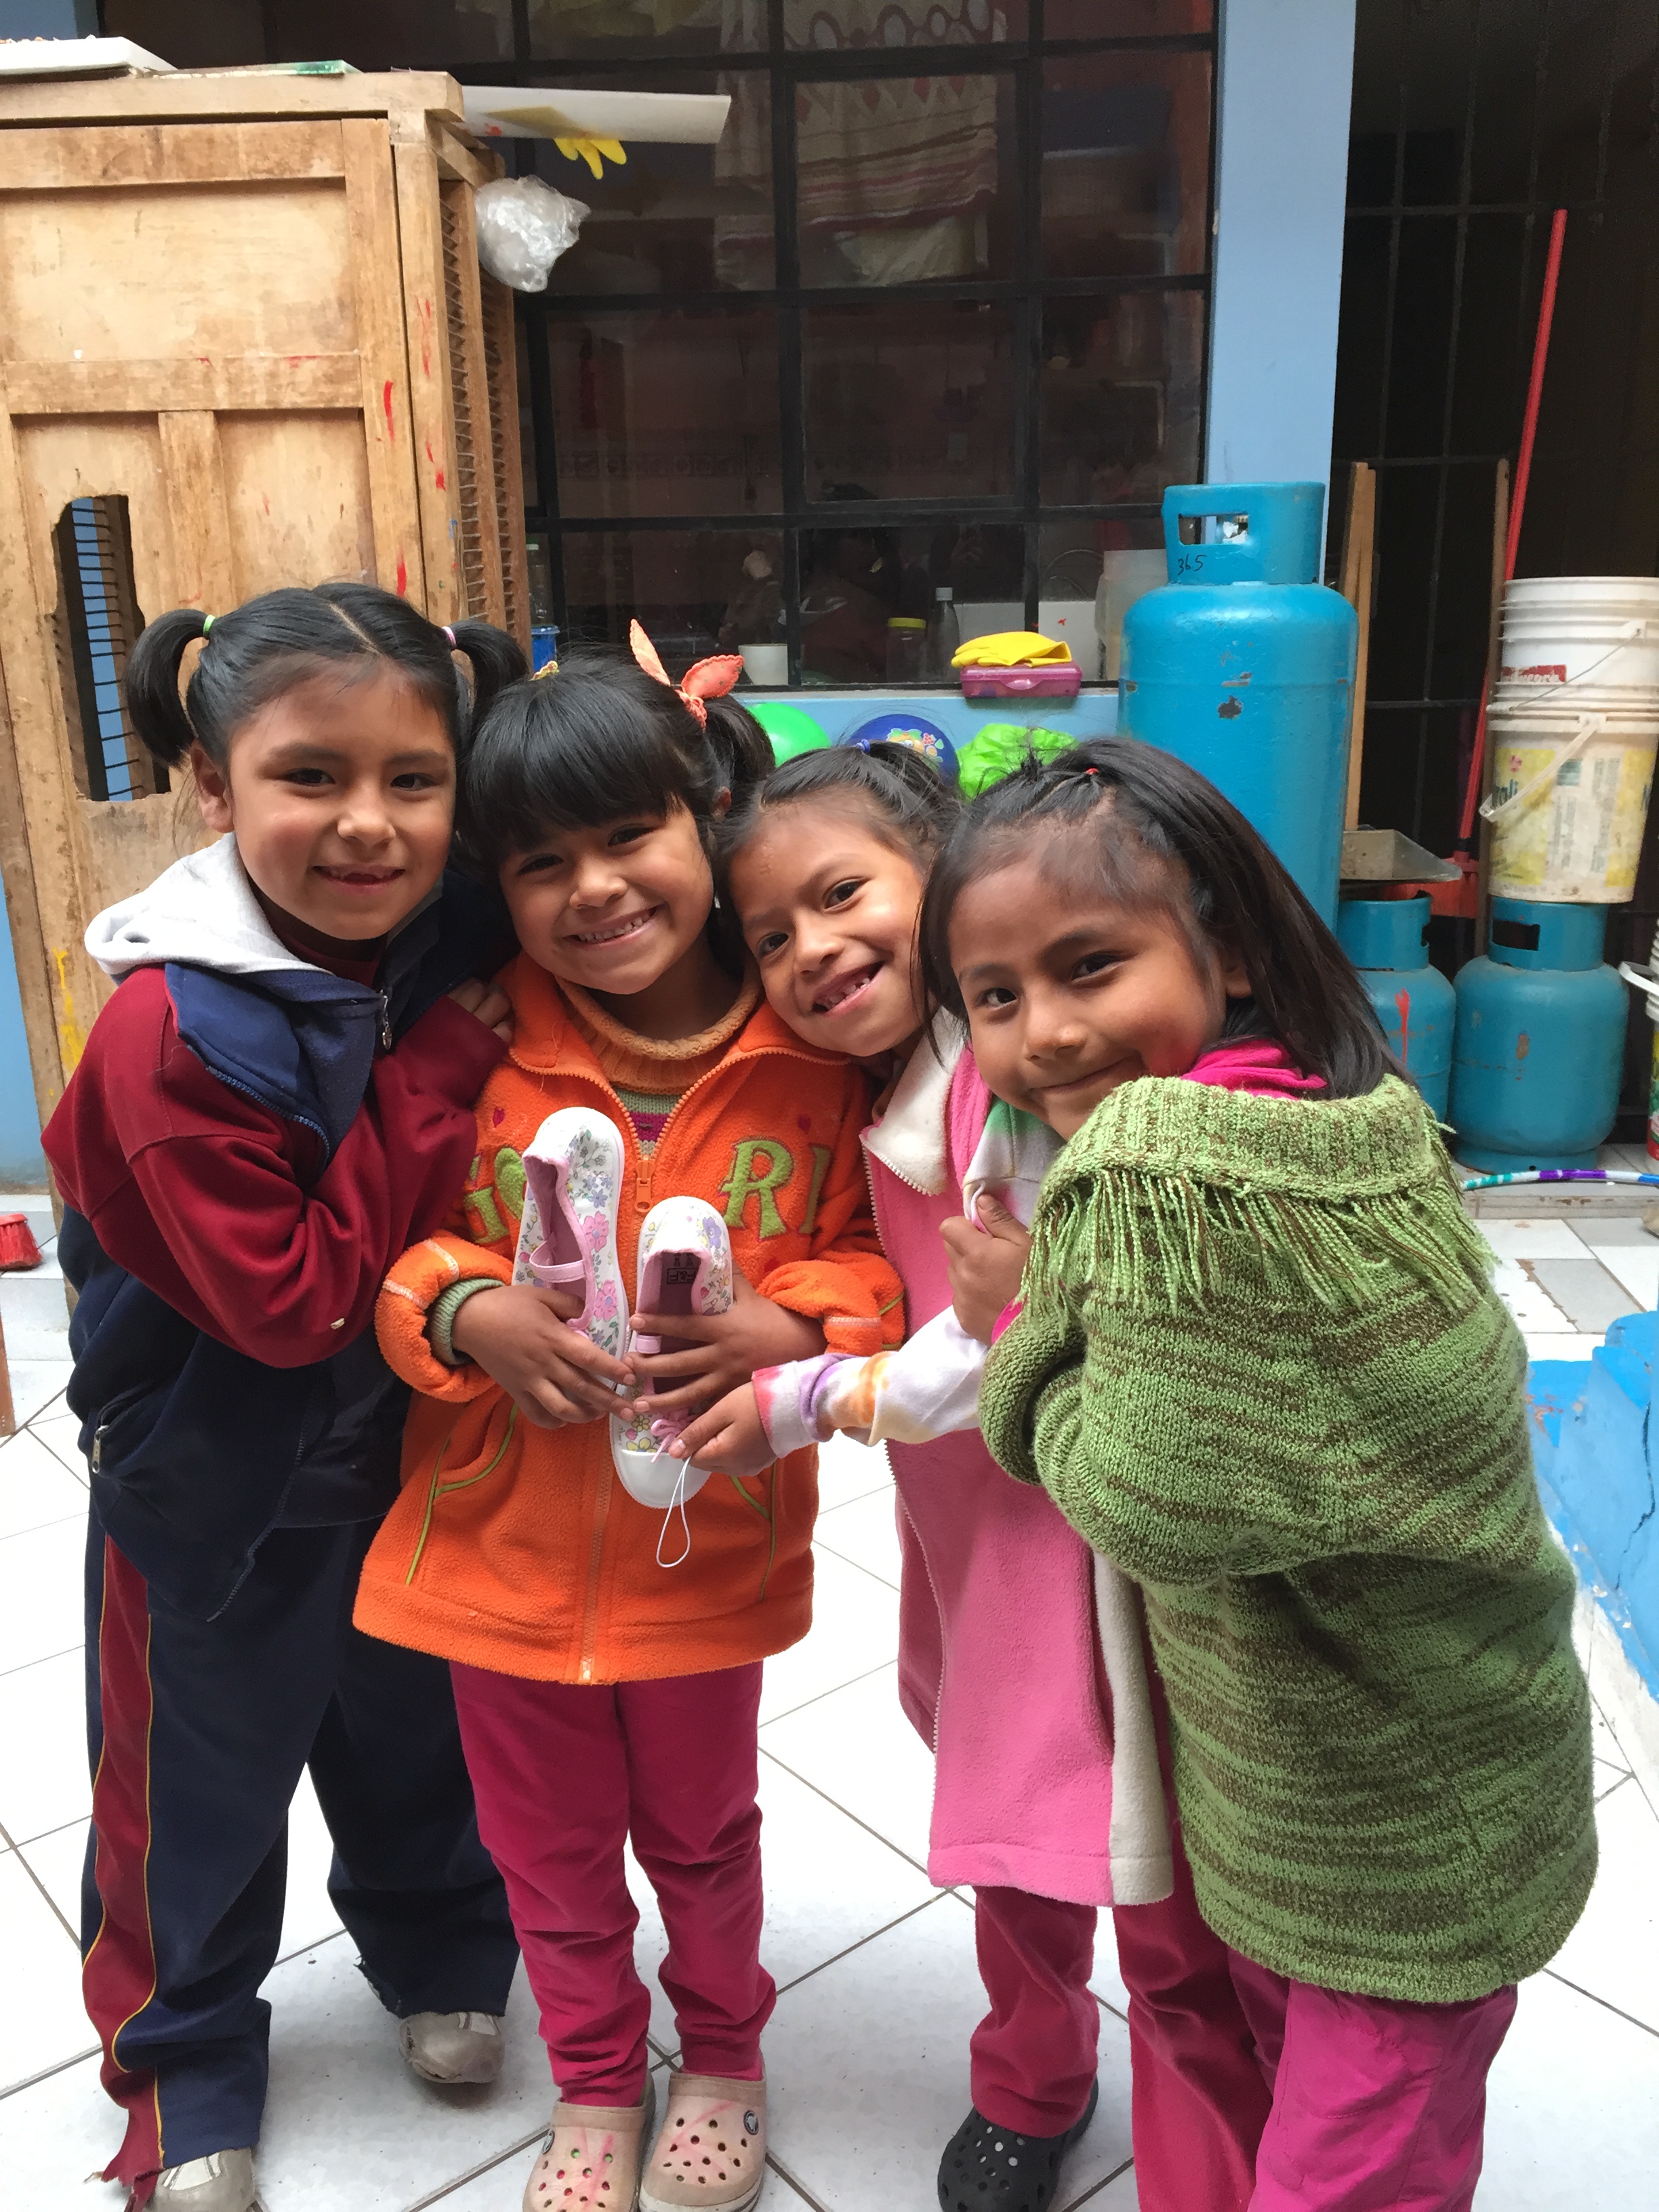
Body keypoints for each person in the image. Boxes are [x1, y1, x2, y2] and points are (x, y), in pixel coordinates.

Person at [944, 739, 1596, 2212]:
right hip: (1383, 1788)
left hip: (1393, 1858)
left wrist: (1019, 1324)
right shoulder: (1332, 1108)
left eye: (1090, 965)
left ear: (1228, 949)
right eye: (996, 996)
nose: (1046, 1032)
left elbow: (1145, 1497)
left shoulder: (1177, 1165)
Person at [671, 742, 1273, 2212]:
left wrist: (806, 1396)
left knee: (1158, 1884)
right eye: (771, 937)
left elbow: (987, 1344)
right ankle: (1034, 2076)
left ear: (944, 877)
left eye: (843, 895)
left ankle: (1211, 2161)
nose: (814, 951)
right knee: (1017, 1846)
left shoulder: (1006, 1085)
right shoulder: (863, 1086)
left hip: (1098, 1556)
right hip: (979, 1540)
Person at [353, 630, 905, 2212]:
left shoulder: (816, 1056)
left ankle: (721, 2055)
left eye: (627, 835)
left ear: (705, 814)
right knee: (546, 1856)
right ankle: (596, 2080)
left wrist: (795, 1318)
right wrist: (467, 1307)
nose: (593, 889)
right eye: (542, 863)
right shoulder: (480, 1043)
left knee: (704, 1840)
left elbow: (877, 1256)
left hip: (701, 1554)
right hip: (496, 1557)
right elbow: (397, 1250)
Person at [43, 585, 528, 2212]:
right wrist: (435, 1073)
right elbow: (294, 1300)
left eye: (414, 777)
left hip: (419, 1450)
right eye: (310, 776)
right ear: (212, 784)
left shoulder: (454, 927)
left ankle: (443, 1952)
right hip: (217, 1482)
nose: (368, 823)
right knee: (198, 1786)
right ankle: (182, 2057)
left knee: (418, 1733)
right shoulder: (174, 1030)